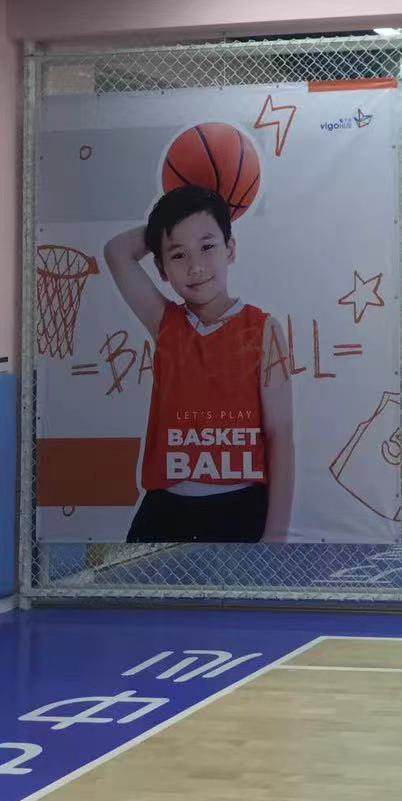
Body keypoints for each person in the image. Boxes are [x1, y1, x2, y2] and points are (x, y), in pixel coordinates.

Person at [104, 185, 294, 543]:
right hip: (167, 507)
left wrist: (277, 534)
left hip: (241, 505)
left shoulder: (263, 329)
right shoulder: (165, 322)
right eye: (178, 255)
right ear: (161, 268)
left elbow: (279, 434)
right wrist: (167, 225)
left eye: (207, 247)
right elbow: (117, 252)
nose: (195, 266)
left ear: (230, 249)